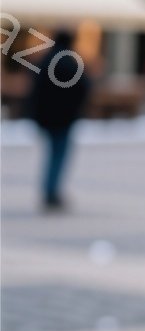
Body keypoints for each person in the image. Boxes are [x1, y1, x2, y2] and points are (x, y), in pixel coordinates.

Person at [23, 30, 92, 213]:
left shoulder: (46, 60)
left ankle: (49, 190)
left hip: (47, 117)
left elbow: (35, 90)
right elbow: (84, 88)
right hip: (64, 118)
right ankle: (52, 191)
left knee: (51, 154)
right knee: (59, 155)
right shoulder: (70, 61)